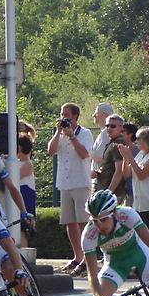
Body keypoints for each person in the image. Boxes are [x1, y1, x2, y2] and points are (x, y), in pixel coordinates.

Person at [47, 102, 93, 276]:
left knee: (83, 222)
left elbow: (84, 154)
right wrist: (58, 132)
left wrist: (72, 136)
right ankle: (77, 256)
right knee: (69, 222)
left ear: (75, 116)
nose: (63, 118)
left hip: (81, 182)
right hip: (65, 183)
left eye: (66, 115)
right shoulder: (60, 134)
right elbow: (50, 151)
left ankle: (87, 258)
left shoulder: (85, 133)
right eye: (61, 114)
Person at [119, 127, 149, 247]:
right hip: (139, 201)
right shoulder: (140, 154)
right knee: (141, 236)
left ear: (147, 140)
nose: (136, 141)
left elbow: (142, 175)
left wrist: (130, 157)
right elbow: (126, 174)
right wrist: (125, 158)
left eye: (138, 139)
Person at [94, 114, 126, 202]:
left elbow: (119, 171)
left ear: (121, 128)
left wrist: (108, 193)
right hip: (106, 190)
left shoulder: (117, 144)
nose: (109, 128)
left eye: (113, 126)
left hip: (113, 194)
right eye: (107, 126)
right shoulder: (112, 143)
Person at [18, 135, 36, 247]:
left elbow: (15, 177)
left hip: (25, 197)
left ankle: (24, 252)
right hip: (18, 196)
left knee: (23, 228)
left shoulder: (27, 164)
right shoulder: (16, 162)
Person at [90, 102, 114, 179]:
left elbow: (100, 159)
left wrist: (87, 152)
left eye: (96, 113)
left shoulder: (106, 133)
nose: (93, 115)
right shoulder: (103, 133)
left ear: (105, 115)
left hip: (102, 179)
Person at [121, 123, 139, 207]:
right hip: (128, 192)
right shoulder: (123, 148)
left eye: (122, 131)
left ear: (130, 134)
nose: (120, 134)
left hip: (137, 193)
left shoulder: (138, 150)